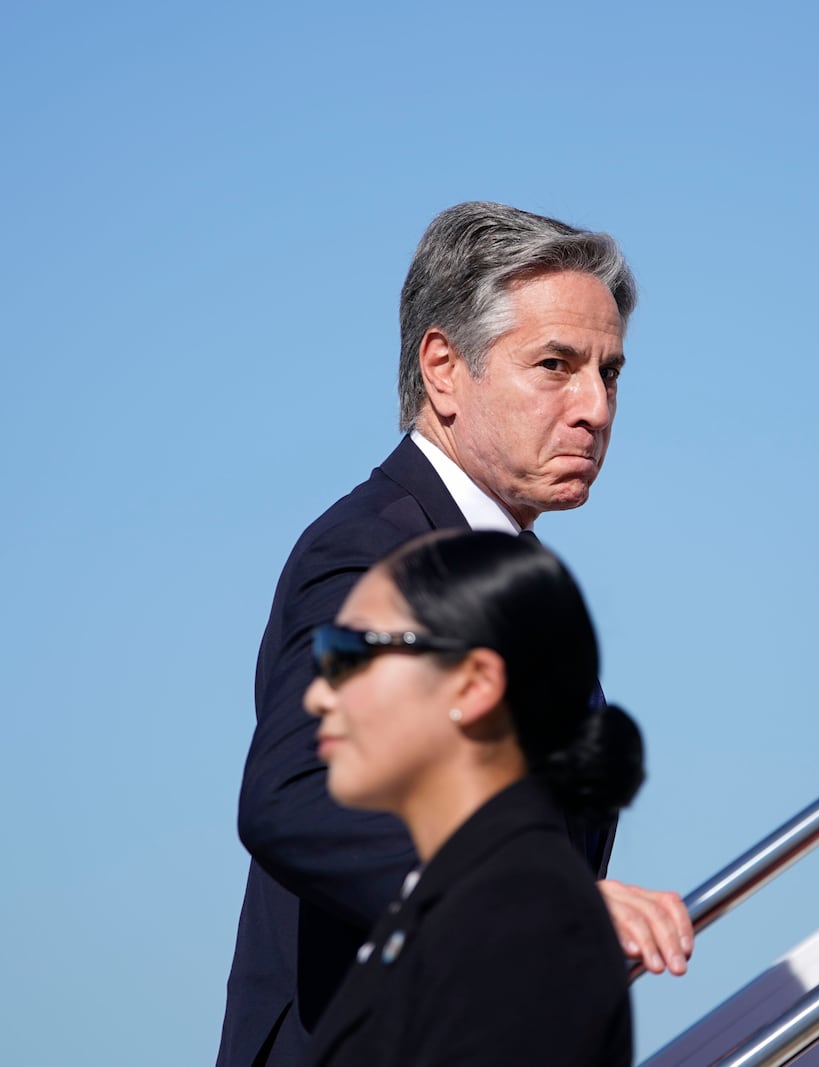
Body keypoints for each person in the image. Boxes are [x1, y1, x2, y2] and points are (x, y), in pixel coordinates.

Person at [220, 202, 693, 1067]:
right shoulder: (373, 551)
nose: (594, 406)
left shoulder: (511, 577)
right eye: (556, 365)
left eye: (611, 372)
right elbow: (294, 790)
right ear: (443, 369)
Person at [303, 530, 638, 1065]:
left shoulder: (517, 920)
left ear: (473, 684)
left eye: (350, 654)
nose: (317, 694)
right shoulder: (458, 897)